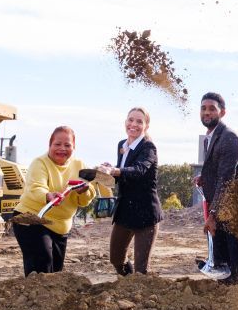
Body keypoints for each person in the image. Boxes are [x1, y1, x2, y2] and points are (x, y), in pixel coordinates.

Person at [13, 126, 95, 275]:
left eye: (67, 145)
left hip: (60, 227)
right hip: (32, 218)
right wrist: (47, 196)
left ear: (74, 147)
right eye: (57, 144)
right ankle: (35, 297)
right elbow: (35, 187)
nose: (62, 148)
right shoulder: (40, 163)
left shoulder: (79, 166)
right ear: (50, 145)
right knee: (42, 265)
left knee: (55, 274)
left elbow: (84, 200)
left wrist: (85, 191)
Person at [99, 107, 163, 275]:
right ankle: (128, 284)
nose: (133, 124)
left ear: (146, 126)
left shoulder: (149, 147)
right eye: (130, 120)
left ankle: (142, 295)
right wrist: (108, 170)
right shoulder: (122, 145)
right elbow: (123, 175)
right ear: (125, 122)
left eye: (139, 121)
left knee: (142, 269)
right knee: (116, 259)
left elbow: (139, 170)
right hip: (125, 211)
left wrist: (116, 170)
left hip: (145, 214)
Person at [195, 92, 238, 284]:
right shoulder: (210, 137)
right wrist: (205, 177)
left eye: (212, 109)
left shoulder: (229, 138)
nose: (206, 112)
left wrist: (213, 215)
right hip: (220, 212)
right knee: (221, 268)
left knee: (237, 268)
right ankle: (226, 309)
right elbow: (219, 170)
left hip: (234, 215)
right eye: (203, 108)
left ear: (222, 112)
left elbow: (226, 180)